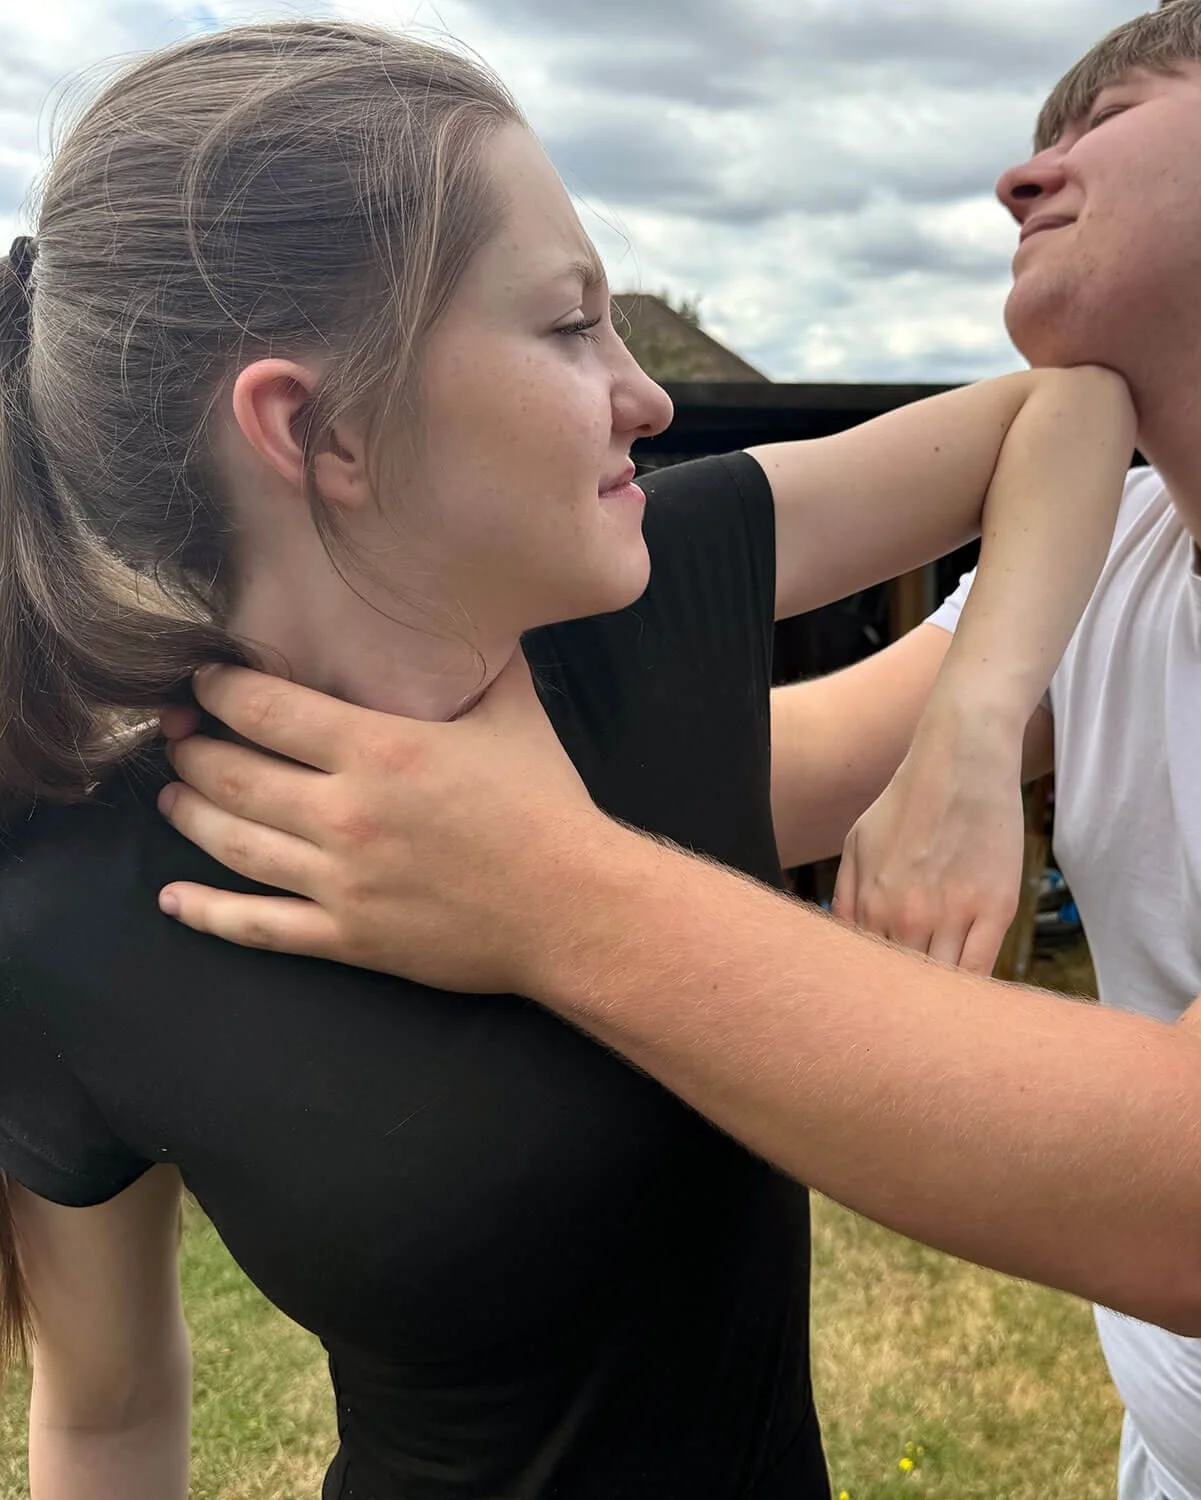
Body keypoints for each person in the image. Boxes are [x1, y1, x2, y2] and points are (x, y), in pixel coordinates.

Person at [154, 3, 1201, 1498]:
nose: (1019, 179)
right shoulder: (1110, 560)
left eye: (1098, 122)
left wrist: (546, 891)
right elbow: (722, 772)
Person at [0, 19, 1139, 1500]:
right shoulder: (72, 910)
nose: (645, 393)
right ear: (316, 427)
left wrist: (972, 738)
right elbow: (105, 1407)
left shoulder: (633, 609)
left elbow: (1069, 408)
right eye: (566, 324)